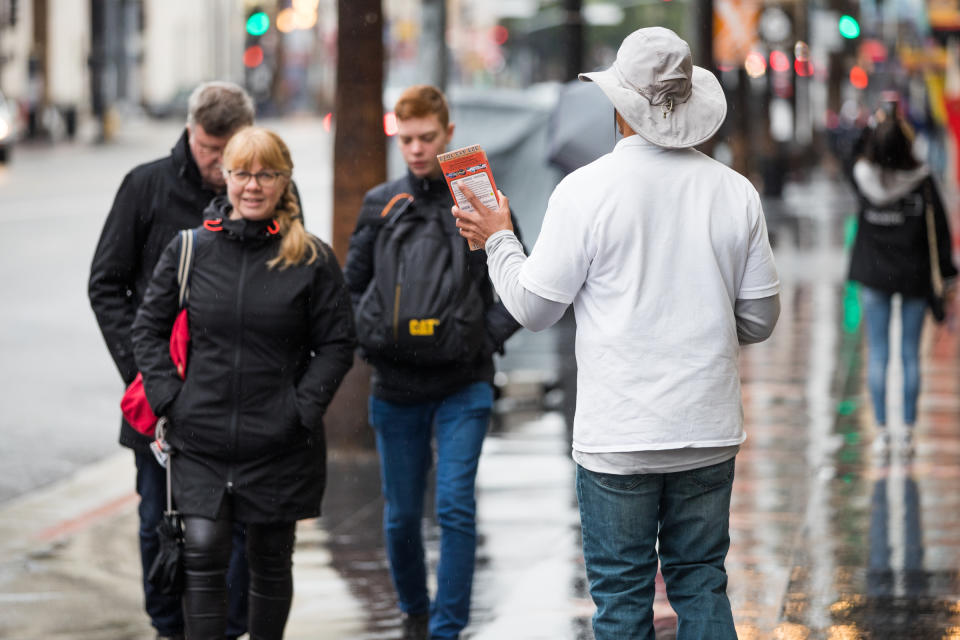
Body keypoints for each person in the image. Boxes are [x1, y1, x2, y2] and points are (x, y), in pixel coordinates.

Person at [453, 27, 780, 640]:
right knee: (701, 582)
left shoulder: (584, 191)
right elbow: (759, 319)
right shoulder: (735, 193)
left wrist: (498, 238)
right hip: (705, 430)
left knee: (623, 600)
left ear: (621, 109)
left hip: (619, 435)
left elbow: (533, 308)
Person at [131, 126, 356, 638]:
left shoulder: (311, 259)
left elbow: (338, 343)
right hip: (201, 434)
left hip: (278, 439)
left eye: (266, 174)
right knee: (204, 550)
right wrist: (170, 398)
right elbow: (147, 327)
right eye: (242, 174)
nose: (253, 186)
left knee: (269, 557)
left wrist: (301, 409)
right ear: (225, 179)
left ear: (283, 181)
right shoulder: (190, 249)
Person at [343, 85, 522, 640]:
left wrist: (480, 340)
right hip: (395, 385)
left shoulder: (480, 200)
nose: (416, 150)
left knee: (454, 509)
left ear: (448, 133)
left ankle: (447, 629)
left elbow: (521, 283)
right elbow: (350, 287)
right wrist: (370, 338)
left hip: (463, 385)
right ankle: (415, 614)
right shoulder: (380, 203)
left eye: (426, 138)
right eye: (406, 139)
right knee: (399, 518)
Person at [89, 81, 255, 640]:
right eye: (208, 148)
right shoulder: (145, 187)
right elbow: (106, 285)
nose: (216, 163)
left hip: (236, 398)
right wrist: (143, 373)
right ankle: (167, 629)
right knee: (159, 523)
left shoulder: (262, 191)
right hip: (157, 395)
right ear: (190, 132)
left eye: (225, 151)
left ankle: (227, 630)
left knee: (238, 529)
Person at [848, 111, 957, 457]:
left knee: (878, 354)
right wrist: (949, 279)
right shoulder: (922, 180)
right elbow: (939, 232)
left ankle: (881, 432)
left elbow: (848, 154)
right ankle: (907, 432)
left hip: (874, 276)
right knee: (910, 355)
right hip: (914, 275)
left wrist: (869, 128)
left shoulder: (863, 177)